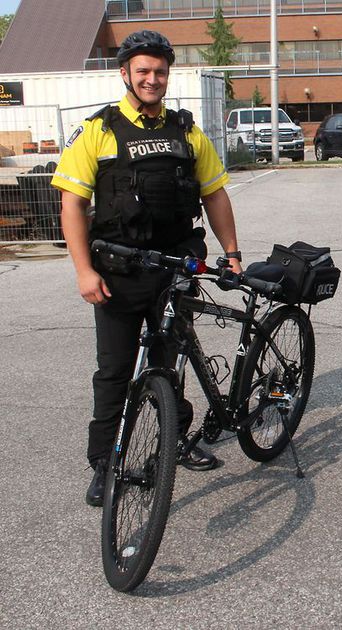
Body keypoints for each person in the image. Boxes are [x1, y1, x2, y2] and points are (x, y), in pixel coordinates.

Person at [51, 30, 242, 506]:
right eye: (143, 71)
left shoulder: (186, 130)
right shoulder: (99, 130)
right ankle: (105, 465)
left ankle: (174, 441)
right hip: (117, 273)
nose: (152, 79)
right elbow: (72, 205)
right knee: (115, 371)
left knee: (169, 363)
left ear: (167, 74)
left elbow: (214, 193)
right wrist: (82, 270)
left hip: (174, 271)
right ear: (126, 74)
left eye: (159, 71)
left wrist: (232, 251)